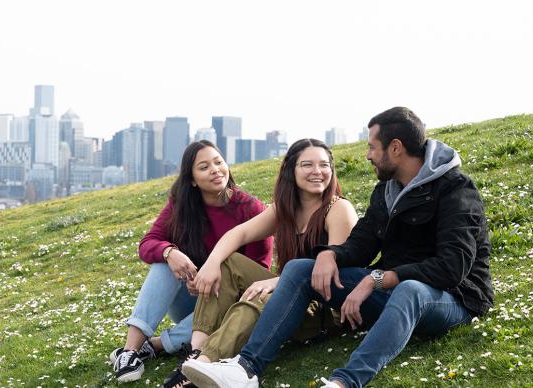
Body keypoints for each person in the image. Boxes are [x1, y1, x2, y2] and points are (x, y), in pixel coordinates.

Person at [182, 107, 493, 388]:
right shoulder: (387, 189)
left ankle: (343, 383)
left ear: (395, 148)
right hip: (392, 292)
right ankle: (245, 370)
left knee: (410, 289)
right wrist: (330, 255)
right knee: (300, 268)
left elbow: (452, 268)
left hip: (452, 300)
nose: (368, 155)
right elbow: (362, 243)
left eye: (372, 146)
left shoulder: (456, 189)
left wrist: (378, 279)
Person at [161, 139, 358, 388]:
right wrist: (211, 263)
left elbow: (329, 271)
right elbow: (238, 234)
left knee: (260, 295)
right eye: (307, 164)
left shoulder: (339, 209)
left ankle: (206, 362)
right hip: (289, 295)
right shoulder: (285, 209)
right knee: (228, 262)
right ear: (291, 170)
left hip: (323, 310)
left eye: (324, 165)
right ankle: (196, 353)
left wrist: (276, 282)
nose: (317, 171)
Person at [111, 140, 274, 383]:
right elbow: (148, 243)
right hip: (189, 300)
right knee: (162, 261)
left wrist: (214, 279)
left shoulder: (249, 208)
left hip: (227, 302)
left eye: (219, 162)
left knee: (231, 305)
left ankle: (156, 346)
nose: (216, 170)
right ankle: (130, 351)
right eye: (205, 167)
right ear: (192, 179)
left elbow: (258, 270)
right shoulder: (181, 205)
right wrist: (170, 253)